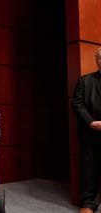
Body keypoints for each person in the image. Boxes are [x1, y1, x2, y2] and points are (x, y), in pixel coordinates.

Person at [72, 47, 101, 213]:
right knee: (88, 170)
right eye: (100, 58)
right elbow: (77, 104)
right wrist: (91, 122)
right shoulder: (84, 81)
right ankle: (89, 203)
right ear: (96, 61)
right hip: (90, 133)